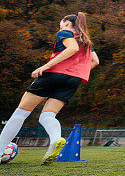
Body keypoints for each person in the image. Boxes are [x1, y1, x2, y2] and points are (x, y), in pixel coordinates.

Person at [0, 13, 100, 164]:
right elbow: (95, 61)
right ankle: (56, 139)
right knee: (47, 116)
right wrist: (77, 73)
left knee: (20, 114)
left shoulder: (65, 33)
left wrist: (45, 66)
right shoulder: (86, 41)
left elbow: (72, 48)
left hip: (54, 74)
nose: (59, 26)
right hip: (74, 80)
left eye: (61, 22)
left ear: (67, 23)